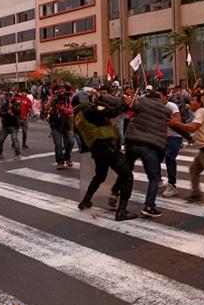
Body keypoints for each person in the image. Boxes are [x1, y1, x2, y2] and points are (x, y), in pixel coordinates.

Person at [73, 90, 137, 221]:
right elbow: (110, 113)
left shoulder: (78, 117)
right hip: (108, 147)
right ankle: (122, 211)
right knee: (127, 176)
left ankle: (86, 200)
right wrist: (124, 104)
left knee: (100, 175)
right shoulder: (90, 110)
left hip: (97, 150)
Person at [122, 88, 171, 217]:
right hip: (148, 147)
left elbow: (126, 103)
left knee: (126, 172)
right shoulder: (164, 110)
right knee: (154, 177)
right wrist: (188, 136)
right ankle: (149, 207)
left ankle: (115, 194)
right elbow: (172, 123)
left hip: (132, 143)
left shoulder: (141, 104)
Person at [168, 93, 204, 202]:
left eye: (193, 100)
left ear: (200, 103)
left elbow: (193, 127)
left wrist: (176, 124)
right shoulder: (200, 112)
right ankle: (196, 193)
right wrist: (194, 139)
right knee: (194, 169)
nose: (190, 102)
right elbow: (200, 129)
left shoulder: (200, 112)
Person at [156, 87, 183, 197]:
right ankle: (157, 179)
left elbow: (178, 120)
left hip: (174, 136)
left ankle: (172, 185)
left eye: (159, 96)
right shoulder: (156, 107)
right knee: (155, 157)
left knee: (169, 157)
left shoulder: (171, 106)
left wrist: (168, 120)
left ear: (165, 97)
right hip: (162, 137)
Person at [44, 82, 74, 169]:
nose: (61, 89)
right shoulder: (52, 98)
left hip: (66, 122)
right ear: (56, 89)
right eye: (59, 88)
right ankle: (60, 161)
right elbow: (45, 108)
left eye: (63, 88)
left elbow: (71, 110)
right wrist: (53, 101)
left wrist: (63, 109)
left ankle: (67, 156)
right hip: (55, 123)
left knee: (71, 141)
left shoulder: (69, 98)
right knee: (58, 143)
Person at [0, 92, 22, 161]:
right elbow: (1, 114)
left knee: (14, 139)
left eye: (11, 96)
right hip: (5, 126)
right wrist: (7, 113)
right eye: (8, 96)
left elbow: (18, 112)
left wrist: (12, 107)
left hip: (14, 125)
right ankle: (0, 151)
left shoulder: (17, 104)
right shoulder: (4, 105)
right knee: (0, 140)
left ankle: (18, 154)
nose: (9, 98)